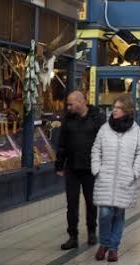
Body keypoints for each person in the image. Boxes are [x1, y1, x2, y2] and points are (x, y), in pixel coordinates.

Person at [91, 95, 140, 263]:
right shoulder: (104, 129)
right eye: (114, 107)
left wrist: (134, 172)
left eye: (118, 107)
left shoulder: (136, 130)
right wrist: (96, 169)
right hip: (105, 178)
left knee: (119, 213)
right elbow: (96, 149)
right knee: (105, 213)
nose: (114, 109)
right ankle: (104, 243)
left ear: (127, 111)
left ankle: (113, 248)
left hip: (125, 179)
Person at [56, 91, 106, 250]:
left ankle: (92, 231)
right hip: (72, 167)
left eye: (71, 104)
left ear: (80, 102)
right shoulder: (68, 119)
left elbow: (105, 142)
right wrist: (59, 164)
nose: (68, 107)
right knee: (72, 203)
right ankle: (73, 236)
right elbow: (62, 143)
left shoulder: (97, 118)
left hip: (91, 168)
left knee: (91, 202)